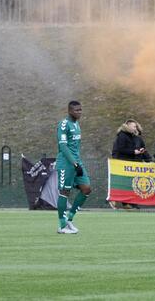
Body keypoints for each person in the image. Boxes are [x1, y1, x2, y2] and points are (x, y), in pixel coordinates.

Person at [55, 100, 91, 234]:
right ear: (70, 111)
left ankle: (70, 218)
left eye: (80, 110)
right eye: (76, 110)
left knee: (86, 189)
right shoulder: (64, 124)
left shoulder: (77, 124)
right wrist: (74, 164)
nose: (79, 112)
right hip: (66, 163)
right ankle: (62, 225)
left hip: (77, 162)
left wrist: (78, 163)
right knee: (64, 192)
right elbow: (63, 146)